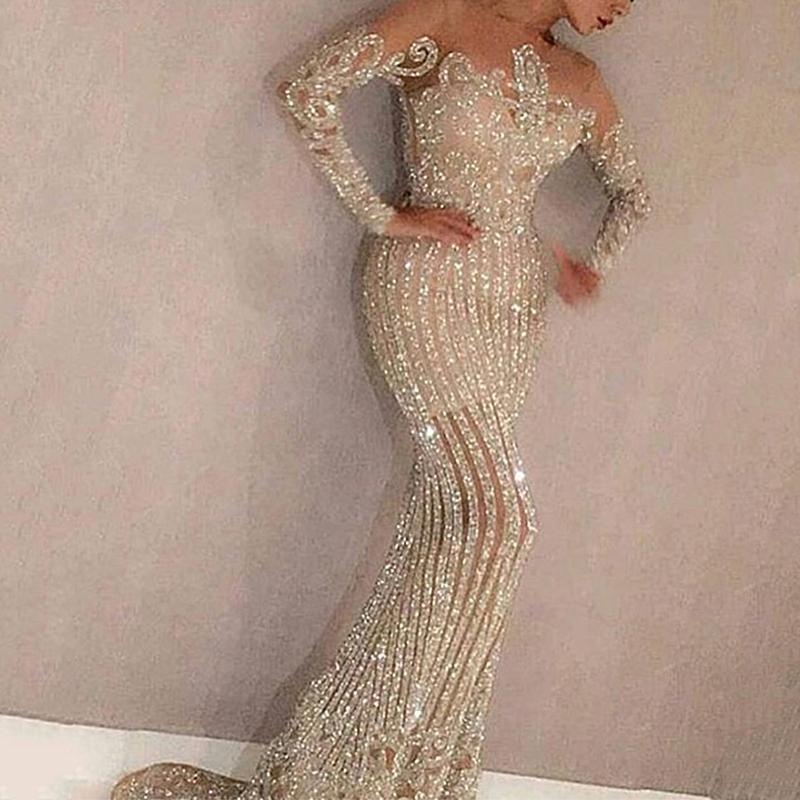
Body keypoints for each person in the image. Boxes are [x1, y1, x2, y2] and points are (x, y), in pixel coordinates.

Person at [109, 0, 653, 797]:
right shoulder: (446, 15)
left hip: (512, 309)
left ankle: (390, 774)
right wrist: (382, 215)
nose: (627, 5)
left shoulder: (584, 78)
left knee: (455, 529)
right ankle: (361, 765)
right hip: (424, 287)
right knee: (501, 520)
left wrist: (592, 263)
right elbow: (308, 87)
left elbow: (634, 193)